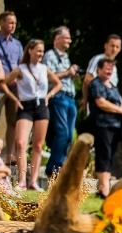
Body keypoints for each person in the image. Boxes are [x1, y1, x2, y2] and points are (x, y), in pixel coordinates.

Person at [0, 39, 62, 191]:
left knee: (38, 145)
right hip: (25, 106)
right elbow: (3, 83)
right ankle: (22, 180)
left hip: (41, 105)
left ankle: (33, 181)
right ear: (30, 51)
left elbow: (58, 83)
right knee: (20, 143)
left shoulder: (44, 68)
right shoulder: (21, 69)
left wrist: (49, 95)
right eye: (38, 50)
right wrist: (14, 98)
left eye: (42, 51)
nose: (40, 54)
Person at [88, 57, 122, 197]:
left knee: (110, 155)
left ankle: (104, 187)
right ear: (98, 69)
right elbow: (101, 103)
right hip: (102, 125)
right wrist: (119, 110)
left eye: (111, 69)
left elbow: (118, 102)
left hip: (116, 126)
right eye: (106, 68)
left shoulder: (112, 85)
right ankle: (103, 188)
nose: (109, 71)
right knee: (103, 154)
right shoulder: (96, 84)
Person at [42, 26, 79, 177]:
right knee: (62, 132)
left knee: (69, 135)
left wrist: (72, 75)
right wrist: (67, 72)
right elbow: (49, 75)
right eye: (67, 37)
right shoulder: (50, 55)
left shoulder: (65, 57)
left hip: (70, 97)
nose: (70, 40)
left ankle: (59, 163)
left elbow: (64, 75)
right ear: (57, 39)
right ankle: (54, 167)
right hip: (58, 96)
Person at [0, 11, 23, 166]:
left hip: (14, 87)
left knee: (13, 122)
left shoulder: (17, 44)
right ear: (2, 22)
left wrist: (16, 77)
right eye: (10, 22)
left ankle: (9, 155)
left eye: (15, 23)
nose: (13, 26)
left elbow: (21, 63)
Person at [81, 34, 121, 115]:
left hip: (110, 106)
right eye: (112, 46)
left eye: (117, 47)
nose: (114, 49)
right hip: (98, 105)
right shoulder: (98, 59)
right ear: (106, 46)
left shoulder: (114, 66)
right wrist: (85, 99)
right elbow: (87, 80)